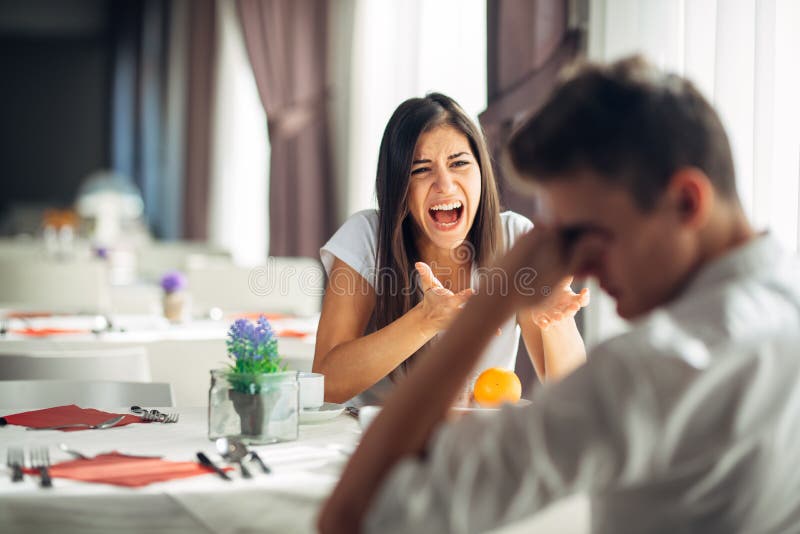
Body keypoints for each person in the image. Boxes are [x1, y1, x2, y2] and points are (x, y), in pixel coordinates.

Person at [318, 56, 800, 534]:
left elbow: (354, 516)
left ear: (686, 202)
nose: (581, 266)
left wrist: (486, 312)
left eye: (591, 234)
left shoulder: (648, 369)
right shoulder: (784, 303)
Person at [313, 93, 589, 406]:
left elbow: (571, 396)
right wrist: (426, 319)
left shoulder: (515, 238)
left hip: (478, 442)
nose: (444, 184)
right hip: (384, 445)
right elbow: (325, 383)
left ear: (482, 172)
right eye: (421, 170)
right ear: (399, 186)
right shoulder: (367, 237)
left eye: (458, 163)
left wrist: (555, 322)